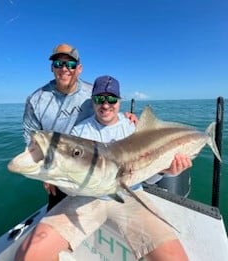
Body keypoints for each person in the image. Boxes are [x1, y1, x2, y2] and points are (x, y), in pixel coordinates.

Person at [16, 75, 191, 261]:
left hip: (131, 194)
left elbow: (147, 178)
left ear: (119, 101)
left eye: (111, 99)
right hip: (88, 198)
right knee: (28, 255)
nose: (105, 105)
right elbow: (70, 173)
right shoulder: (80, 131)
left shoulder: (134, 128)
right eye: (99, 99)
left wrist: (166, 171)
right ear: (93, 101)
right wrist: (52, 174)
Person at [22, 43, 137, 210]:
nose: (64, 68)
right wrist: (45, 172)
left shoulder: (92, 93)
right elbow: (29, 135)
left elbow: (108, 106)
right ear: (51, 68)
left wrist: (129, 117)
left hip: (93, 167)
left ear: (79, 68)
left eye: (70, 64)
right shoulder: (36, 100)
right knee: (57, 215)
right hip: (59, 170)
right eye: (58, 63)